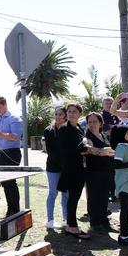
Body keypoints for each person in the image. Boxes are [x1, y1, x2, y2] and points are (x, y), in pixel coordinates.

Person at [56, 102, 90, 239]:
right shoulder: (64, 129)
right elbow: (63, 151)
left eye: (74, 111)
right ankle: (73, 227)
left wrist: (85, 148)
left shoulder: (79, 128)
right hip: (70, 168)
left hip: (79, 167)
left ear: (79, 114)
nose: (71, 113)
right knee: (72, 198)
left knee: (74, 198)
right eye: (69, 111)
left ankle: (71, 225)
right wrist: (82, 149)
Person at [0, 96, 23, 217]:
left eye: (0, 108)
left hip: (12, 152)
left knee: (11, 182)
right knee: (4, 182)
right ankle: (10, 209)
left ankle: (15, 209)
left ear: (5, 105)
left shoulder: (14, 118)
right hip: (1, 153)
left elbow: (15, 137)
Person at [84, 112, 115, 232]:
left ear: (100, 123)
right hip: (93, 171)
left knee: (104, 197)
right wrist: (106, 151)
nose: (92, 124)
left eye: (95, 121)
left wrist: (106, 151)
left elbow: (113, 151)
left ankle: (104, 221)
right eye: (90, 122)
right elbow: (90, 149)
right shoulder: (87, 137)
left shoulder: (104, 135)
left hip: (107, 171)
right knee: (94, 197)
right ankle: (95, 223)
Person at [44, 106, 69, 229]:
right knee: (53, 193)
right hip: (53, 167)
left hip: (66, 167)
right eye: (56, 114)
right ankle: (50, 220)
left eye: (60, 114)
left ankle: (66, 219)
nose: (58, 116)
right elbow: (51, 151)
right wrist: (63, 164)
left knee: (65, 193)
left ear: (65, 116)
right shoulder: (48, 130)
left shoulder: (69, 129)